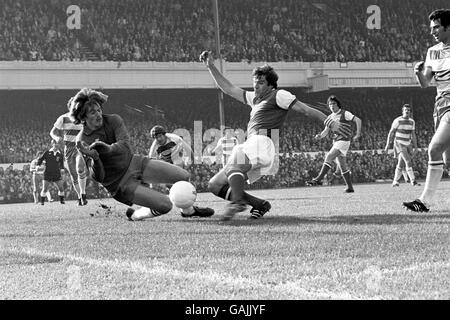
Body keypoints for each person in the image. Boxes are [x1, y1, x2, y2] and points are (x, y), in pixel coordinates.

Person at [200, 51, 351, 220]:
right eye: (255, 82)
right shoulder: (254, 99)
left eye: (261, 83)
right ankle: (259, 204)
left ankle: (237, 202)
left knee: (237, 157)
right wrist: (210, 66)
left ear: (271, 85)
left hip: (263, 142)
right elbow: (228, 88)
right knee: (214, 185)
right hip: (253, 144)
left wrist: (330, 122)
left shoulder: (279, 95)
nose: (256, 86)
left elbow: (305, 109)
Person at [69, 88, 214, 221]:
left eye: (99, 110)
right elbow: (99, 177)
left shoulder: (113, 120)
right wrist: (95, 159)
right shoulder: (82, 140)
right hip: (119, 183)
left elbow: (125, 147)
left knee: (183, 177)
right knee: (166, 205)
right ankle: (135, 215)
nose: (99, 114)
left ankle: (188, 211)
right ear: (83, 117)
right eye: (93, 112)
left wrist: (106, 149)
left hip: (134, 162)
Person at [404, 9, 450, 212]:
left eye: (437, 27)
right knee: (447, 162)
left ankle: (423, 202)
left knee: (434, 149)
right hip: (439, 106)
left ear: (448, 27)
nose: (433, 32)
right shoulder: (432, 51)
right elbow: (425, 83)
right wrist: (417, 72)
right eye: (431, 28)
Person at [305, 95, 362, 193]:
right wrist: (320, 136)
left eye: (333, 104)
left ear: (338, 104)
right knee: (342, 165)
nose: (332, 106)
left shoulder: (345, 113)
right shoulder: (330, 117)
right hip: (336, 142)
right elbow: (326, 131)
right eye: (330, 104)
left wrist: (357, 134)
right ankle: (350, 187)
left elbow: (358, 120)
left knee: (329, 157)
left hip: (343, 141)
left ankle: (318, 179)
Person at [50, 97, 89, 206]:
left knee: (80, 168)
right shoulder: (63, 118)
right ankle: (80, 197)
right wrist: (56, 137)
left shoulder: (84, 118)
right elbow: (52, 132)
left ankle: (83, 194)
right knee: (73, 175)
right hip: (68, 148)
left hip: (80, 146)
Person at [384, 104, 419, 187]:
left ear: (410, 112)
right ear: (402, 111)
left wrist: (416, 147)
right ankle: (413, 181)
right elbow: (391, 132)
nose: (407, 111)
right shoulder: (397, 120)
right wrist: (387, 144)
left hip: (407, 143)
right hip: (399, 143)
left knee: (400, 164)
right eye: (405, 110)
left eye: (408, 110)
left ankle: (395, 181)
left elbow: (413, 134)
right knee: (408, 160)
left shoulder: (412, 122)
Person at [36, 140, 66, 205]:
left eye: (57, 143)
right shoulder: (47, 152)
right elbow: (40, 159)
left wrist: (62, 169)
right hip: (47, 173)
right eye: (55, 143)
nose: (56, 144)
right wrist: (38, 165)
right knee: (44, 188)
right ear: (52, 144)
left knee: (61, 188)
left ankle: (62, 201)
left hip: (56, 173)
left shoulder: (60, 154)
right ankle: (42, 202)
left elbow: (61, 163)